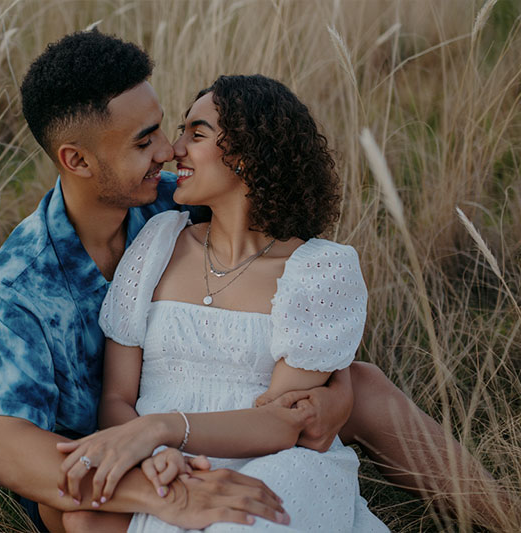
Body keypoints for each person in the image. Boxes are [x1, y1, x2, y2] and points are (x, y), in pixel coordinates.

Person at [0, 30, 504, 533]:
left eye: (171, 129)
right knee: (76, 515)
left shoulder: (172, 199)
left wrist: (332, 393)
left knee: (361, 382)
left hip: (230, 420)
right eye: (145, 141)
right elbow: (8, 450)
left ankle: (505, 516)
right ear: (77, 160)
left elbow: (293, 294)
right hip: (107, 467)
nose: (168, 151)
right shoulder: (25, 282)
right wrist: (167, 483)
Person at [55, 74, 389, 532]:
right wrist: (155, 454)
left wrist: (164, 427)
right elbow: (116, 397)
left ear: (251, 154)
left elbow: (284, 425)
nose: (175, 150)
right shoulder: (156, 244)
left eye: (197, 134)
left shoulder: (319, 271)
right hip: (164, 468)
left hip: (277, 466)